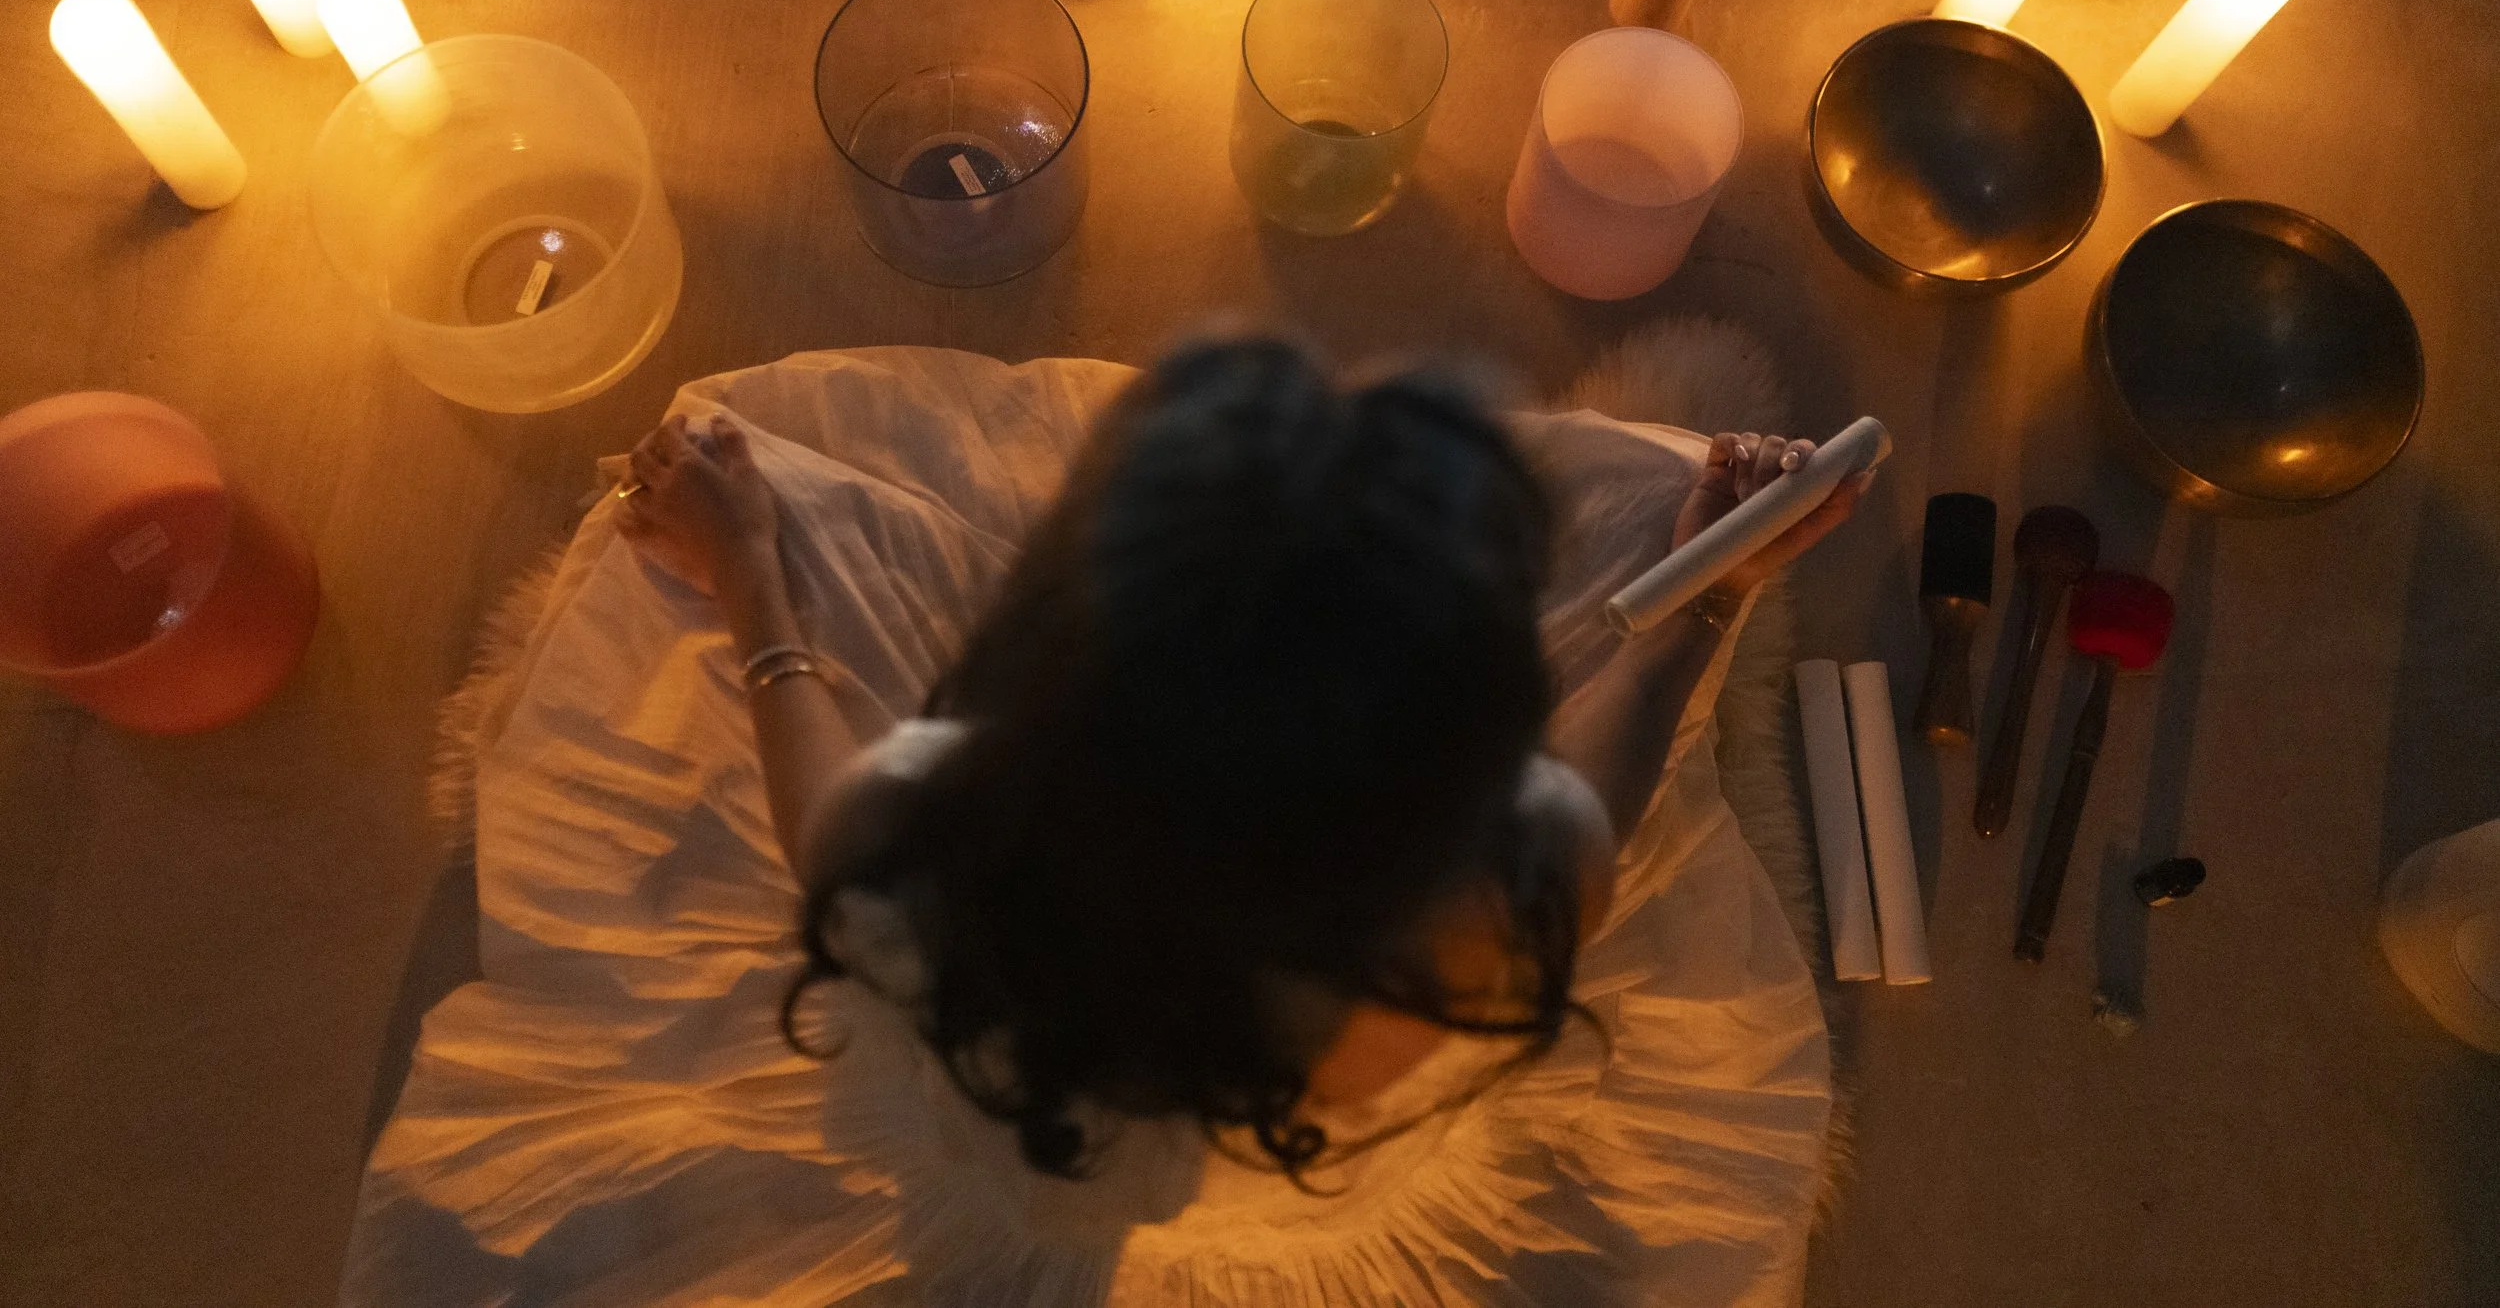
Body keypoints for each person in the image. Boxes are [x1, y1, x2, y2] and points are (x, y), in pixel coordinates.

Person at [610, 334, 1866, 1198]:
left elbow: (822, 809)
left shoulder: (916, 880)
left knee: (771, 487)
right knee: (1637, 505)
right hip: (1309, 1104)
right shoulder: (1506, 898)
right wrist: (1713, 592)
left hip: (1046, 1108)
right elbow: (1621, 720)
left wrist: (751, 577)